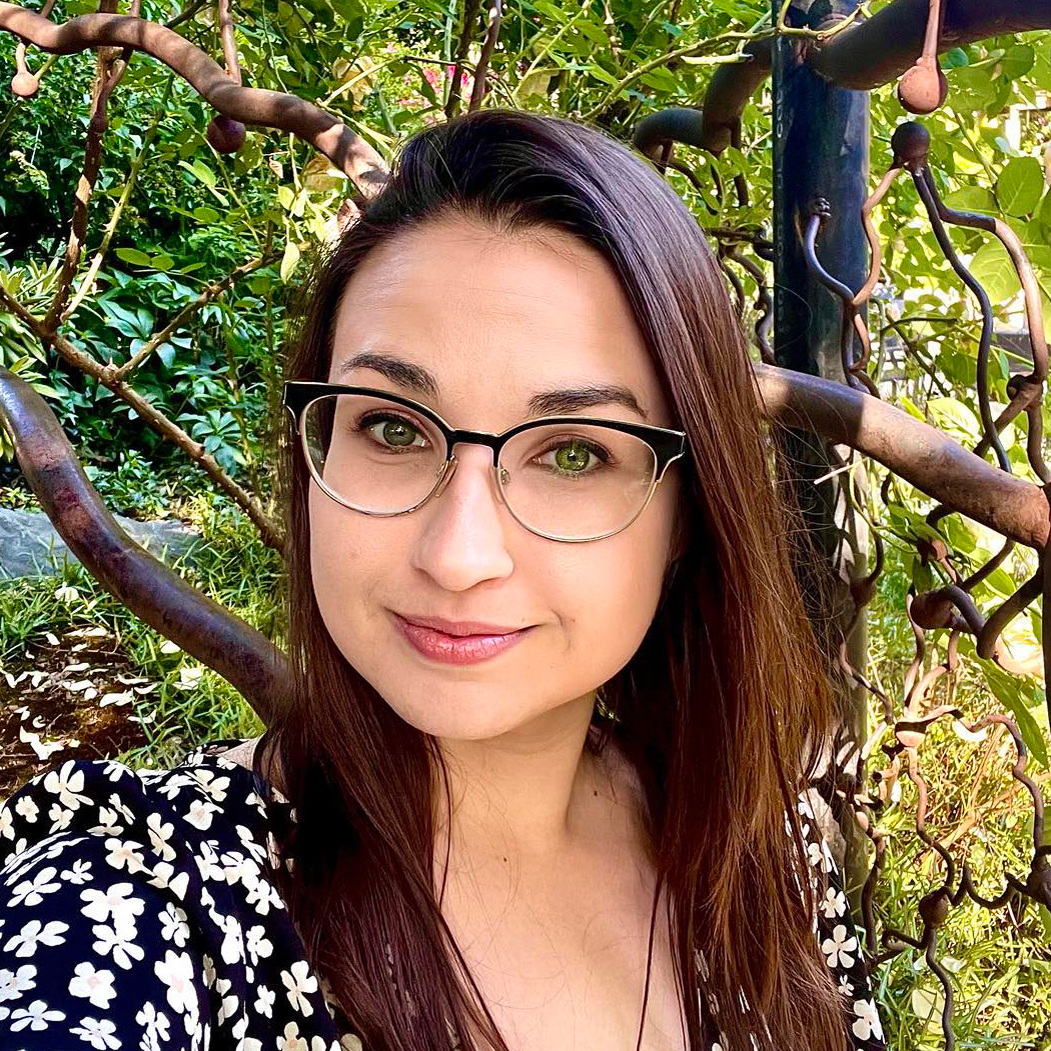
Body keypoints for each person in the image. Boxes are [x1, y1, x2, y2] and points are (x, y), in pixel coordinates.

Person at [0, 107, 885, 1051]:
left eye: (576, 453)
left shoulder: (761, 855)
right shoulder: (141, 893)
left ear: (687, 513)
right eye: (390, 427)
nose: (459, 556)